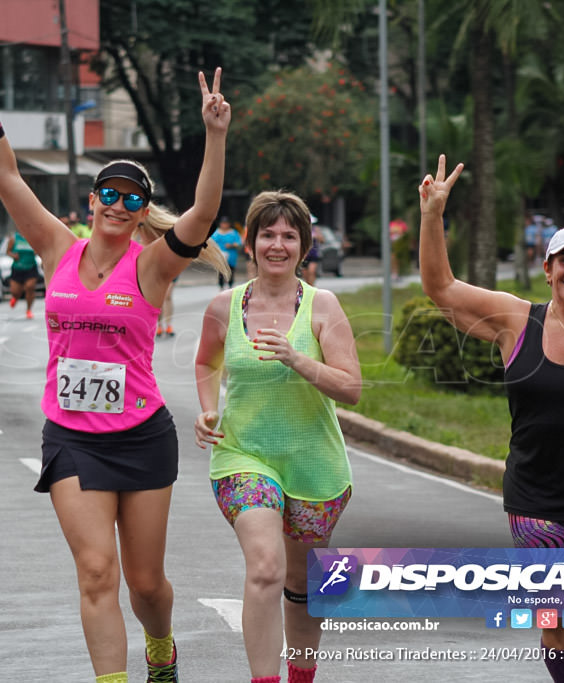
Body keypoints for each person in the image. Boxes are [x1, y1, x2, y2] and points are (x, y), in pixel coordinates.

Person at [0, 34, 230, 683]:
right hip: (72, 438)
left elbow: (203, 212)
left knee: (144, 584)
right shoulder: (56, 249)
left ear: (142, 212)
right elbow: (5, 174)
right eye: (107, 194)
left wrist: (215, 136)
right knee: (95, 573)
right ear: (91, 202)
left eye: (132, 197)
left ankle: (160, 646)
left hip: (141, 436)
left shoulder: (153, 266)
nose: (118, 204)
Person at [419, 155, 564, 683]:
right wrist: (432, 215)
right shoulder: (513, 320)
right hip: (535, 497)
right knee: (561, 624)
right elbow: (441, 288)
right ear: (548, 269)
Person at [194, 191, 362, 683]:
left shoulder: (323, 306)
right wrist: (208, 410)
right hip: (243, 457)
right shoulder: (224, 306)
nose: (277, 244)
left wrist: (298, 359)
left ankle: (301, 676)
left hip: (315, 466)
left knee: (302, 582)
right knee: (265, 568)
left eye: (289, 235)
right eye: (267, 234)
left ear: (304, 246)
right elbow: (206, 361)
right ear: (251, 243)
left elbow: (350, 388)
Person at [6, 228, 39, 319]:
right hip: (17, 268)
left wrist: (36, 252)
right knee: (15, 291)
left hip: (31, 267)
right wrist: (13, 256)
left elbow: (38, 251)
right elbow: (8, 251)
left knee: (30, 287)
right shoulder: (14, 239)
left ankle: (29, 310)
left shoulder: (33, 238)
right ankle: (15, 297)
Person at [211, 216, 242, 289]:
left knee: (230, 272)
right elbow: (211, 242)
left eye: (226, 223)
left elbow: (239, 243)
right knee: (220, 272)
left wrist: (231, 245)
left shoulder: (233, 233)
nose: (224, 225)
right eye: (223, 223)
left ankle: (230, 286)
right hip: (220, 256)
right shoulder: (216, 233)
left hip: (231, 256)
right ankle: (221, 286)